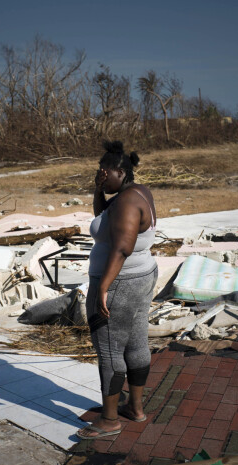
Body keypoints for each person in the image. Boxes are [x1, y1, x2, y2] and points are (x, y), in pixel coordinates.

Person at [77, 141, 158, 440]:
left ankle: (109, 420)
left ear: (120, 172)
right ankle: (135, 409)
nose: (100, 174)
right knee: (136, 342)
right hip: (141, 276)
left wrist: (103, 289)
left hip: (120, 283)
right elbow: (103, 218)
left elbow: (121, 248)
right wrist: (98, 189)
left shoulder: (125, 202)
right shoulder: (134, 193)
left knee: (110, 349)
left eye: (104, 171)